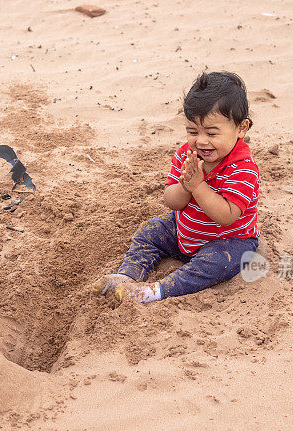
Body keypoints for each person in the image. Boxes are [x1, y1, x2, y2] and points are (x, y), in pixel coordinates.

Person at [93, 71, 260, 303]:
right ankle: (128, 274)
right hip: (184, 231)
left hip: (228, 240)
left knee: (217, 262)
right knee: (149, 232)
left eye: (212, 133)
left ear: (241, 128)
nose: (201, 141)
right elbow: (172, 202)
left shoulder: (242, 168)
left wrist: (198, 185)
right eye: (193, 131)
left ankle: (156, 291)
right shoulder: (187, 154)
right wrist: (185, 186)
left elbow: (226, 216)